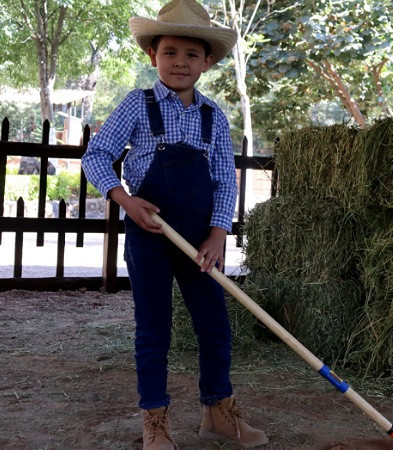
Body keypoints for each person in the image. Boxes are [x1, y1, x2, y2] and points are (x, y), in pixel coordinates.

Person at [81, 0, 267, 448]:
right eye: (169, 52)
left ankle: (218, 414)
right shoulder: (137, 105)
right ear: (153, 56)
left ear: (207, 62)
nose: (179, 62)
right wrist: (124, 199)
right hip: (151, 237)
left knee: (214, 325)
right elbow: (96, 155)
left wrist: (219, 233)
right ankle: (155, 423)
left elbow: (225, 180)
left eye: (190, 54)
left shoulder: (213, 117)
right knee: (154, 328)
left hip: (201, 240)